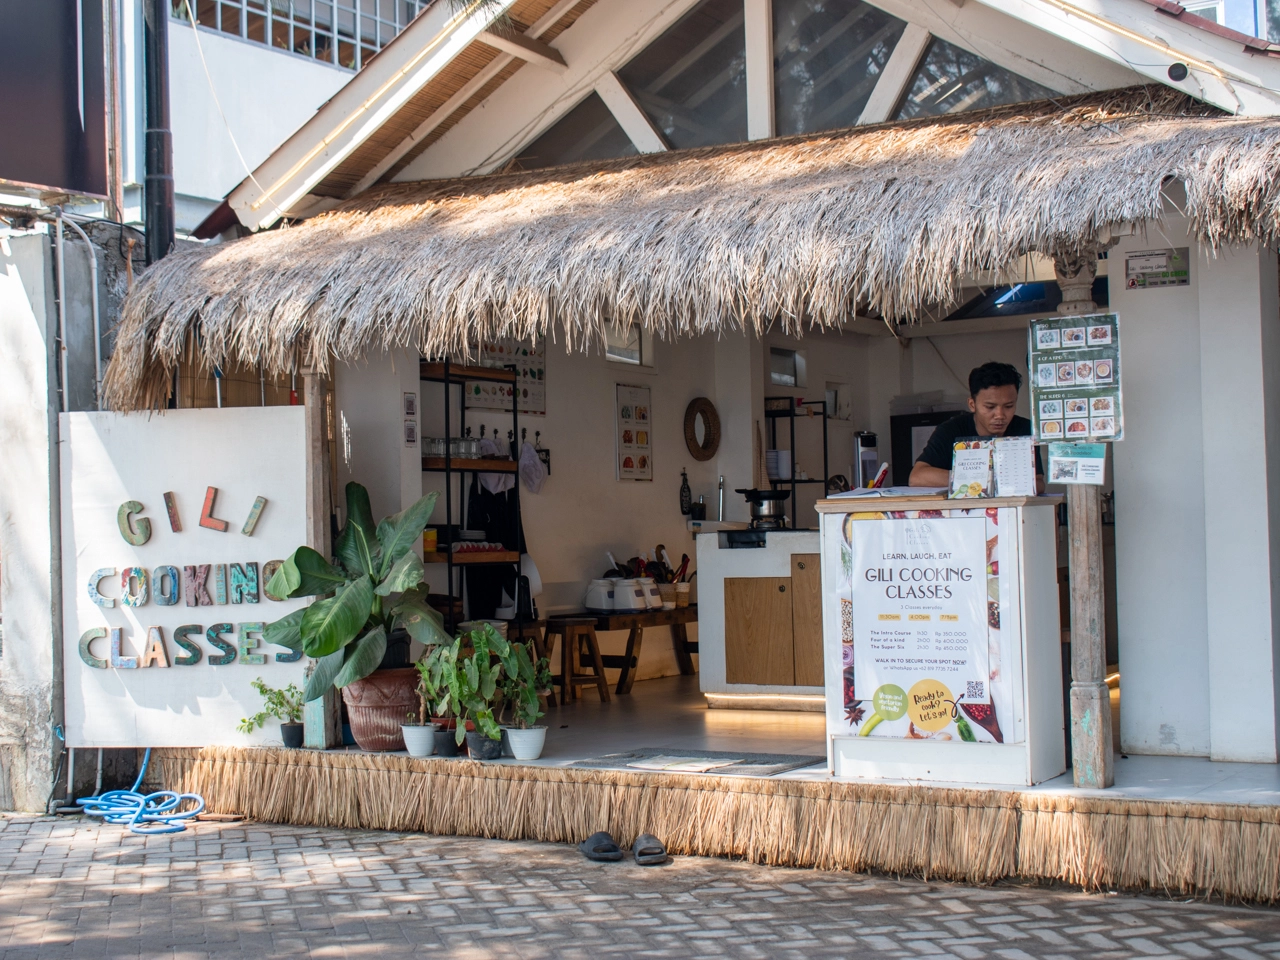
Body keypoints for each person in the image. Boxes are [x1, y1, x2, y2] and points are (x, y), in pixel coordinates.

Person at [909, 361, 1045, 494]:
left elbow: (1038, 482)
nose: (1000, 415)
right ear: (972, 404)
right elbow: (917, 477)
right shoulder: (951, 430)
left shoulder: (1025, 430)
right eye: (990, 407)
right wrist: (978, 479)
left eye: (1008, 406)